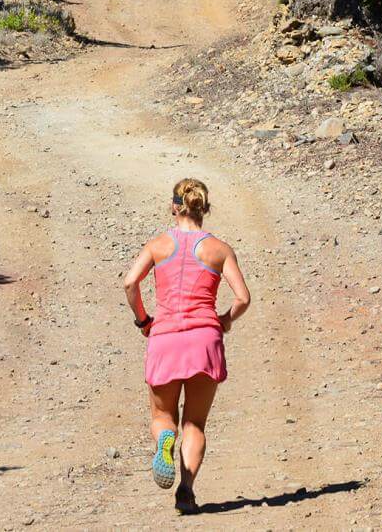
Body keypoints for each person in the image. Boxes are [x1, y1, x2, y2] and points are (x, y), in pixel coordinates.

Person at [122, 178, 252, 514]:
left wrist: (143, 320)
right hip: (204, 340)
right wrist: (224, 320)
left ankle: (165, 440)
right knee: (194, 423)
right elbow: (243, 298)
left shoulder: (157, 246)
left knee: (164, 416)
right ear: (204, 208)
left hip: (164, 337)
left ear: (174, 205)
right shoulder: (219, 250)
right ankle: (186, 490)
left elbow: (129, 282)